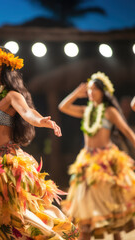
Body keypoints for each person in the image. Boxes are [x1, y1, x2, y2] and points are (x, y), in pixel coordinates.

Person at [0, 18, 79, 240]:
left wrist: (43, 122)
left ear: (0, 65)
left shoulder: (12, 95)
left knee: (16, 220)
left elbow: (28, 113)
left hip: (6, 166)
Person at [58, 72, 135, 240]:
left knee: (112, 214)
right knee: (85, 216)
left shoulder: (110, 111)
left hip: (106, 161)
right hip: (86, 160)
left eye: (95, 89)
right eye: (90, 89)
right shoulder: (86, 110)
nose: (91, 92)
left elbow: (127, 132)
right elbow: (63, 107)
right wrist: (76, 94)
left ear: (103, 92)